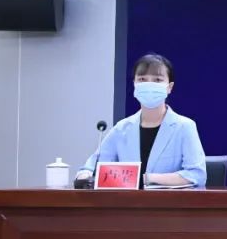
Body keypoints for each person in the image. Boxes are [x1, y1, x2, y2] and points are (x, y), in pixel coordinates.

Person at [76, 53, 207, 187]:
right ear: (134, 84)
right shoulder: (122, 128)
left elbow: (197, 174)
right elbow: (91, 168)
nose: (149, 85)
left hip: (169, 200)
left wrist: (147, 178)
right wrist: (84, 176)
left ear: (170, 87)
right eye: (142, 79)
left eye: (157, 80)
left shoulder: (184, 126)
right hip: (127, 200)